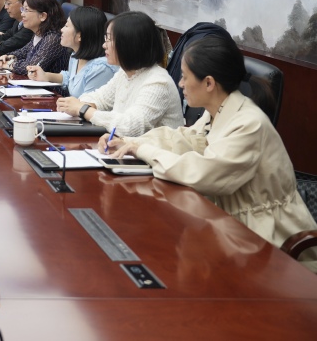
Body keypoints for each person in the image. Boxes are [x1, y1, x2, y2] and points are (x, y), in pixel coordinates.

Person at [101, 33, 317, 265]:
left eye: (185, 77)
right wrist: (130, 142)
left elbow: (204, 173)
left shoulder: (249, 124)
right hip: (229, 226)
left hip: (268, 241)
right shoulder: (218, 111)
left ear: (209, 83)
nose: (180, 84)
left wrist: (143, 150)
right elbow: (184, 138)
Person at [56, 11, 183, 136]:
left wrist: (82, 109)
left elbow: (131, 127)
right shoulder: (125, 73)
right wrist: (76, 105)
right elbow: (100, 98)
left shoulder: (158, 82)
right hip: (123, 145)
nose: (104, 45)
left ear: (130, 44)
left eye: (109, 39)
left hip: (152, 150)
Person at [26, 5, 116, 97]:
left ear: (80, 35)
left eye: (66, 26)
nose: (62, 30)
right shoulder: (75, 55)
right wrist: (46, 76)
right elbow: (71, 78)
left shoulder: (101, 69)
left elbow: (88, 103)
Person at [0, 0, 71, 75]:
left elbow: (32, 68)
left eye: (26, 10)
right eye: (22, 9)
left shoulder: (53, 38)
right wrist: (8, 57)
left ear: (43, 16)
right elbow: (24, 51)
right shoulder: (39, 32)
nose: (22, 14)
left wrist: (9, 65)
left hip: (50, 84)